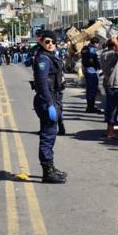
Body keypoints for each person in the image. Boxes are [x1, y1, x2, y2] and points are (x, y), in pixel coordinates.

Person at [32, 30, 68, 183]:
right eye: (47, 42)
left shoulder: (51, 56)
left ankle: (50, 167)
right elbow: (41, 83)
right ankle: (47, 171)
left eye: (53, 42)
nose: (51, 44)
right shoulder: (43, 59)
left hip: (53, 98)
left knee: (51, 135)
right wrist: (49, 104)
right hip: (47, 100)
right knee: (47, 137)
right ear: (41, 42)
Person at [100, 37, 118, 139]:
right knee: (113, 109)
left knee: (110, 107)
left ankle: (109, 131)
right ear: (114, 46)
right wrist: (116, 42)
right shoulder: (112, 54)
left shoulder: (103, 54)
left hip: (108, 83)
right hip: (113, 84)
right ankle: (110, 132)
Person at [81, 38, 101, 113]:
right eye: (98, 44)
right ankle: (90, 107)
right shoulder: (92, 49)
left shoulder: (85, 48)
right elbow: (92, 57)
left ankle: (89, 107)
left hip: (86, 70)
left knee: (89, 89)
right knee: (92, 90)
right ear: (95, 43)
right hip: (92, 71)